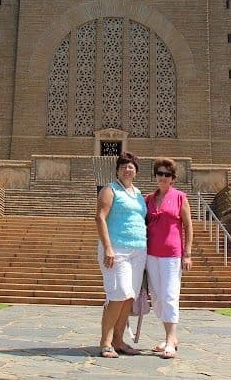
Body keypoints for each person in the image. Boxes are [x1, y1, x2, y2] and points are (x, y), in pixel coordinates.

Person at [95, 152, 147, 358]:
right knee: (118, 295)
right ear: (117, 169)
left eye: (131, 166)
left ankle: (118, 340)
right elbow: (100, 218)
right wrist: (108, 247)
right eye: (124, 165)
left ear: (136, 171)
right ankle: (105, 342)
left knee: (128, 297)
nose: (128, 169)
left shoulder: (138, 193)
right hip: (117, 250)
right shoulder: (110, 189)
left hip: (138, 251)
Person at [145, 157, 193, 359]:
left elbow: (188, 226)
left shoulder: (180, 197)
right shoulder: (148, 199)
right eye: (160, 174)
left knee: (169, 294)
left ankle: (171, 339)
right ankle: (168, 337)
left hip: (172, 254)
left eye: (167, 174)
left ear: (172, 178)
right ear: (155, 176)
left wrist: (188, 253)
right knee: (156, 297)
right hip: (150, 253)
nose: (163, 177)